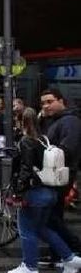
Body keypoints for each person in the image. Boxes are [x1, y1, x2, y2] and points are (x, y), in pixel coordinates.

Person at [7, 107, 81, 273]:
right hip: (50, 192)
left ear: (21, 122)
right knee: (42, 228)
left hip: (34, 194)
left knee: (26, 230)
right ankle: (70, 259)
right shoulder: (44, 140)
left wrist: (18, 193)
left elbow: (26, 169)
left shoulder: (26, 141)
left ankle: (30, 268)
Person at [39, 89, 81, 263]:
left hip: (60, 176)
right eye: (43, 103)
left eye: (50, 101)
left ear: (61, 101)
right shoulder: (54, 121)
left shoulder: (70, 121)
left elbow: (67, 148)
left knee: (51, 217)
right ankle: (60, 253)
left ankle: (73, 248)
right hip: (54, 175)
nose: (46, 106)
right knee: (52, 216)